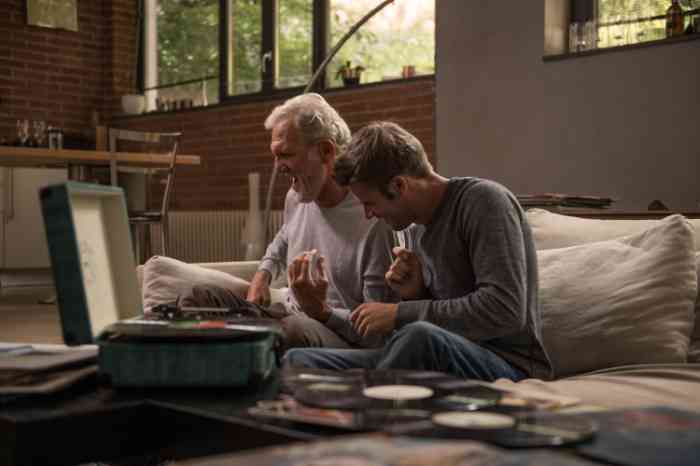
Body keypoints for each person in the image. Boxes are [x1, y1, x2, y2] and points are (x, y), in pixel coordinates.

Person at [283, 121, 552, 381]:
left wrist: (400, 313)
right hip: (434, 353)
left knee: (418, 337)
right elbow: (433, 318)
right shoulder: (414, 229)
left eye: (369, 203)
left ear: (399, 186)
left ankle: (366, 411)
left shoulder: (484, 202)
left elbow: (504, 310)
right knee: (299, 360)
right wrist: (416, 293)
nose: (368, 215)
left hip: (508, 364)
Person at [180, 94, 397, 351]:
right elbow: (284, 236)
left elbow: (373, 335)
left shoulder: (373, 217)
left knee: (290, 330)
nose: (278, 167)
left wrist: (321, 311)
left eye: (285, 154)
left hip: (334, 332)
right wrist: (263, 275)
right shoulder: (296, 197)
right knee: (199, 296)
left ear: (326, 152)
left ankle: (235, 356)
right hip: (284, 316)